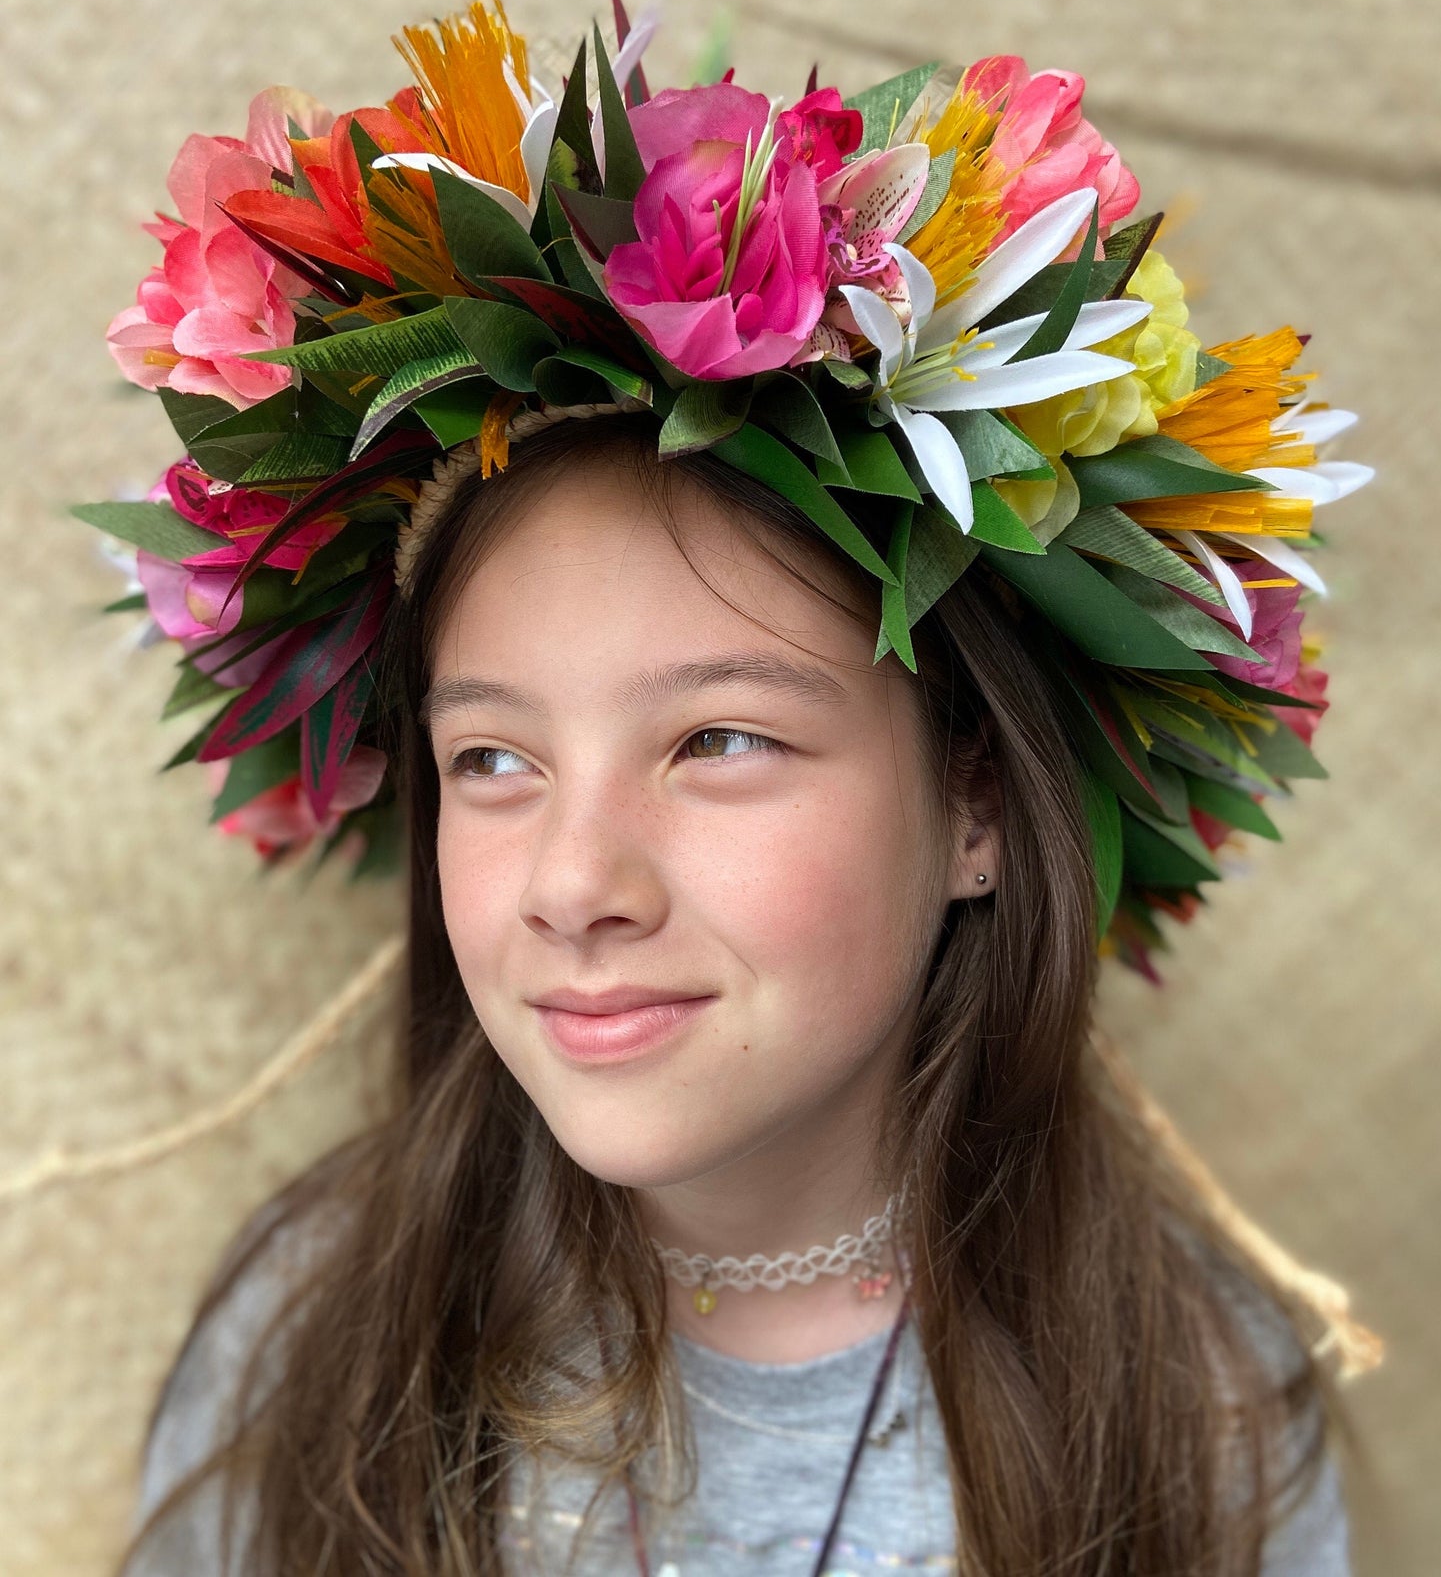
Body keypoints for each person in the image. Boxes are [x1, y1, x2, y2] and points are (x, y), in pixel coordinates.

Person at [116, 412, 1357, 1576]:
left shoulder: (1202, 1399)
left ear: (973, 804)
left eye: (717, 741)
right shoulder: (311, 1332)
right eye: (490, 758)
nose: (571, 885)